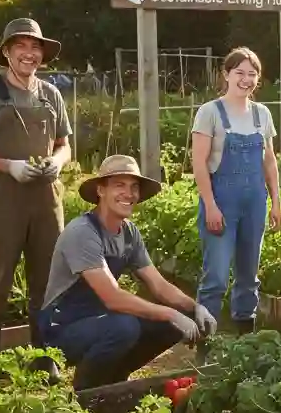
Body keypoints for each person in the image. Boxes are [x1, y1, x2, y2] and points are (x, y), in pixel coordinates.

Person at [38, 156, 217, 391]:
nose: (129, 193)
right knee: (126, 327)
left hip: (99, 320)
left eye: (134, 187)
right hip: (61, 327)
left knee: (169, 324)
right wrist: (169, 313)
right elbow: (113, 297)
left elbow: (159, 285)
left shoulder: (129, 233)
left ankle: (115, 377)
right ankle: (86, 390)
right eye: (119, 185)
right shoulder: (83, 233)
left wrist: (194, 308)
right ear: (101, 190)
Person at [0, 19, 72, 368]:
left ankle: (44, 359)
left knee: (49, 281)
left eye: (35, 47)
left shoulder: (51, 94)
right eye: (21, 46)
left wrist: (56, 161)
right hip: (1, 201)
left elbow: (65, 145)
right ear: (6, 52)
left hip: (45, 200)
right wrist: (9, 166)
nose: (29, 53)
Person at [192, 48, 281, 332]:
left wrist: (276, 202)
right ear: (226, 75)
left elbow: (269, 160)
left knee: (248, 275)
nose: (246, 79)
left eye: (252, 74)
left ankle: (245, 343)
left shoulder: (262, 115)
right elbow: (199, 163)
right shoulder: (210, 112)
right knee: (216, 277)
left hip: (254, 202)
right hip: (221, 201)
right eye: (239, 73)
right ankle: (207, 344)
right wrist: (210, 205)